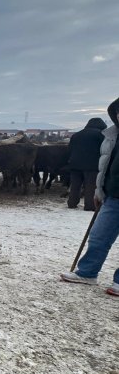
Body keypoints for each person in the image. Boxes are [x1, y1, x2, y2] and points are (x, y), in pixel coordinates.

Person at [61, 97, 119, 297]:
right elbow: (107, 165)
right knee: (98, 235)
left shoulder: (81, 135)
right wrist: (99, 190)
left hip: (78, 166)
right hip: (112, 194)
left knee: (77, 185)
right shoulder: (112, 136)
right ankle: (87, 272)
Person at [67, 117, 106, 211]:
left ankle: (72, 203)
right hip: (92, 165)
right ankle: (89, 205)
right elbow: (104, 150)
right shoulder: (100, 135)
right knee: (90, 186)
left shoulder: (76, 135)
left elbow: (70, 149)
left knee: (75, 185)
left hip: (75, 164)